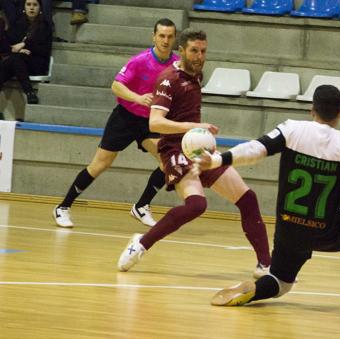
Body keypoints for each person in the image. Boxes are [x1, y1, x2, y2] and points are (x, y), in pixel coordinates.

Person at [206, 85, 340, 308]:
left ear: (312, 109)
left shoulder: (291, 130)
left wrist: (218, 160)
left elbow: (255, 149)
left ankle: (256, 291)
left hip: (288, 229)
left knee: (280, 283)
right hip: (326, 231)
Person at [116, 28, 271, 278]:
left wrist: (199, 134)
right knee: (197, 204)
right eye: (194, 51)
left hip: (198, 147)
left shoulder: (197, 75)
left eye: (203, 51)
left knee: (248, 198)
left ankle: (266, 265)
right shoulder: (168, 79)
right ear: (182, 51)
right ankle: (141, 243)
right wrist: (192, 127)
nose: (199, 56)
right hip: (174, 149)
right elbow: (154, 123)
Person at [53, 18, 178, 228]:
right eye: (161, 36)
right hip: (125, 117)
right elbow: (116, 86)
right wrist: (138, 98)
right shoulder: (140, 60)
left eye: (169, 36)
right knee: (100, 164)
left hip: (150, 122)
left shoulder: (176, 64)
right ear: (153, 37)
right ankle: (63, 207)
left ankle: (141, 206)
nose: (165, 40)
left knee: (168, 161)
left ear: (174, 38)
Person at [0, 0, 52, 106]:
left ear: (40, 8)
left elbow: (43, 50)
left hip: (36, 63)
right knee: (14, 60)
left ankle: (29, 91)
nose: (31, 8)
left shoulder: (45, 26)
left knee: (12, 61)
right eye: (28, 4)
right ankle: (29, 92)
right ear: (24, 7)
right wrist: (17, 50)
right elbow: (6, 44)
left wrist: (24, 45)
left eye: (35, 5)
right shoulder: (17, 24)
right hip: (17, 62)